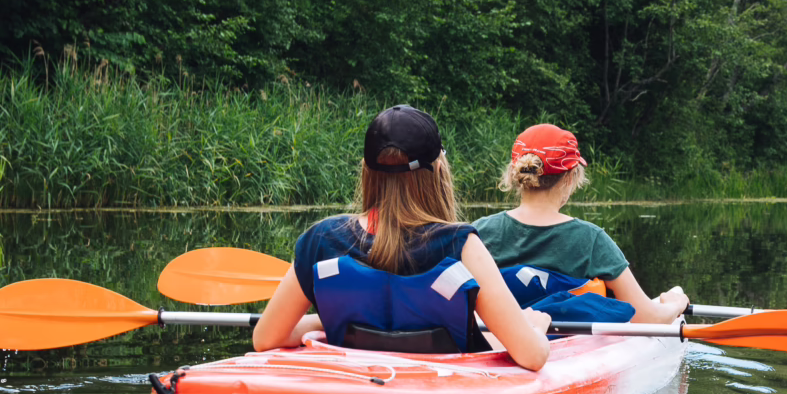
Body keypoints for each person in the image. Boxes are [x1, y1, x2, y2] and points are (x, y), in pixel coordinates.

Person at [251, 105, 551, 367]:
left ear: (367, 172)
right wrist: (535, 328)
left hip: (356, 391)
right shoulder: (461, 245)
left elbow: (266, 338)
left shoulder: (322, 238)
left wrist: (323, 321)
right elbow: (532, 356)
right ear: (438, 172)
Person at [475, 124, 690, 324]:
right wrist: (675, 303)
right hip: (562, 349)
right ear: (570, 178)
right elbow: (646, 317)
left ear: (516, 175)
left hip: (492, 343)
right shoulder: (592, 240)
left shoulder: (478, 234)